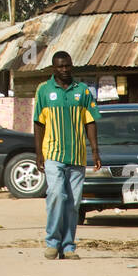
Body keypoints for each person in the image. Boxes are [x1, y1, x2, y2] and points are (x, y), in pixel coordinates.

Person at [33, 52, 100, 260]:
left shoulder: (82, 91)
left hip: (77, 155)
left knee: (73, 203)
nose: (64, 70)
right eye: (60, 67)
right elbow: (38, 123)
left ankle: (68, 245)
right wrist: (38, 153)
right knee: (55, 196)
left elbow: (90, 121)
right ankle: (52, 242)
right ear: (54, 68)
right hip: (53, 153)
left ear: (72, 66)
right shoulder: (44, 90)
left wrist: (95, 150)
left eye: (67, 66)